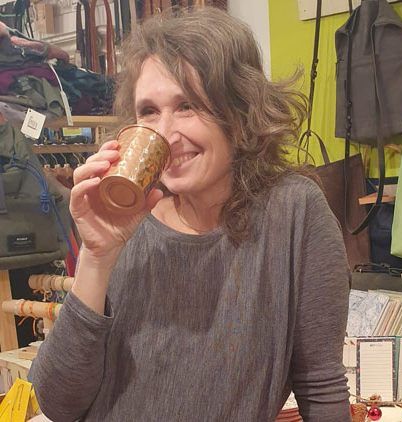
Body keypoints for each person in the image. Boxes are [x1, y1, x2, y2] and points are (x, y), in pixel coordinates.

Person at [29, 6, 351, 422]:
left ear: (240, 112)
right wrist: (96, 258)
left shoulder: (293, 212)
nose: (165, 133)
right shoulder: (125, 222)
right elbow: (58, 403)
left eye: (188, 106)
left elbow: (321, 386)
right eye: (149, 111)